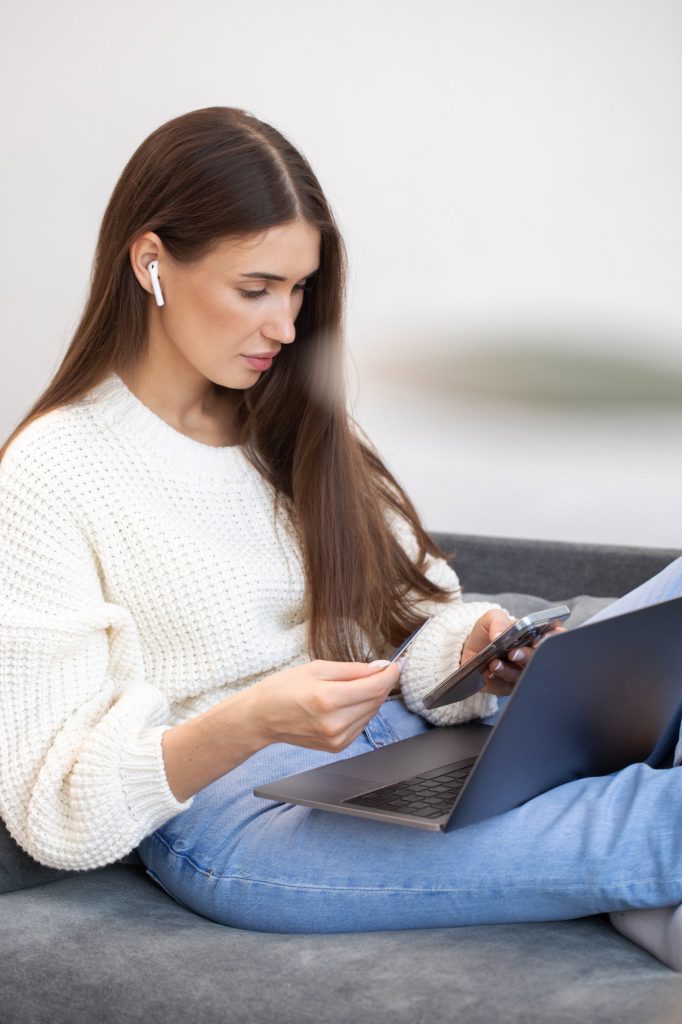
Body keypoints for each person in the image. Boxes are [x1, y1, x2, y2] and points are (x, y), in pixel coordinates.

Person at [1, 107, 681, 968]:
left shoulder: (294, 423)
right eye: (256, 289)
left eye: (298, 291)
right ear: (151, 262)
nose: (285, 327)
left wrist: (473, 645)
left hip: (409, 744)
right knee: (653, 825)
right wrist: (249, 722)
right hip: (243, 816)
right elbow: (49, 799)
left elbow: (416, 617)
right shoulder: (49, 470)